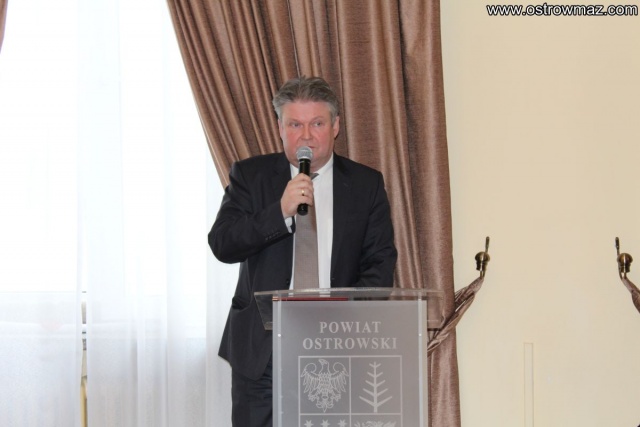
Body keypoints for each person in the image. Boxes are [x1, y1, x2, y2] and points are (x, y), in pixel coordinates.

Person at [208, 75, 397, 427]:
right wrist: (279, 211)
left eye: (317, 124)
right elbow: (223, 243)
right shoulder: (250, 176)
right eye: (295, 124)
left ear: (335, 126)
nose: (306, 136)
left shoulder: (365, 184)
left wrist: (340, 321)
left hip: (336, 348)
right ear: (280, 128)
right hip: (262, 352)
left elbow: (380, 265)